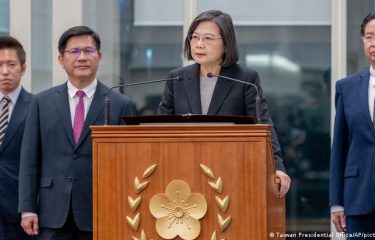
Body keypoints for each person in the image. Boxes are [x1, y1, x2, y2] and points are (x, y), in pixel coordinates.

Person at [18, 26, 135, 239]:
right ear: (61, 60)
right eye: (74, 51)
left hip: (101, 210)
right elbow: (29, 159)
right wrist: (27, 207)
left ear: (99, 57)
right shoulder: (41, 102)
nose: (82, 57)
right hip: (51, 212)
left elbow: (129, 164)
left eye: (89, 51)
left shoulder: (120, 104)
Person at [157, 10, 290, 196]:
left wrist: (277, 166)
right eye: (194, 37)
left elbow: (264, 125)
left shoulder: (245, 79)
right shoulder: (177, 78)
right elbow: (158, 129)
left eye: (208, 38)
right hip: (183, 175)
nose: (199, 44)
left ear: (226, 44)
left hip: (231, 174)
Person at [330, 10, 375, 237]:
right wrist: (336, 203)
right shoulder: (346, 87)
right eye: (369, 37)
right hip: (357, 201)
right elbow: (339, 148)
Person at [0, 36, 32, 240]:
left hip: (19, 211)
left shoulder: (38, 107)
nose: (4, 71)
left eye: (11, 64)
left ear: (23, 68)